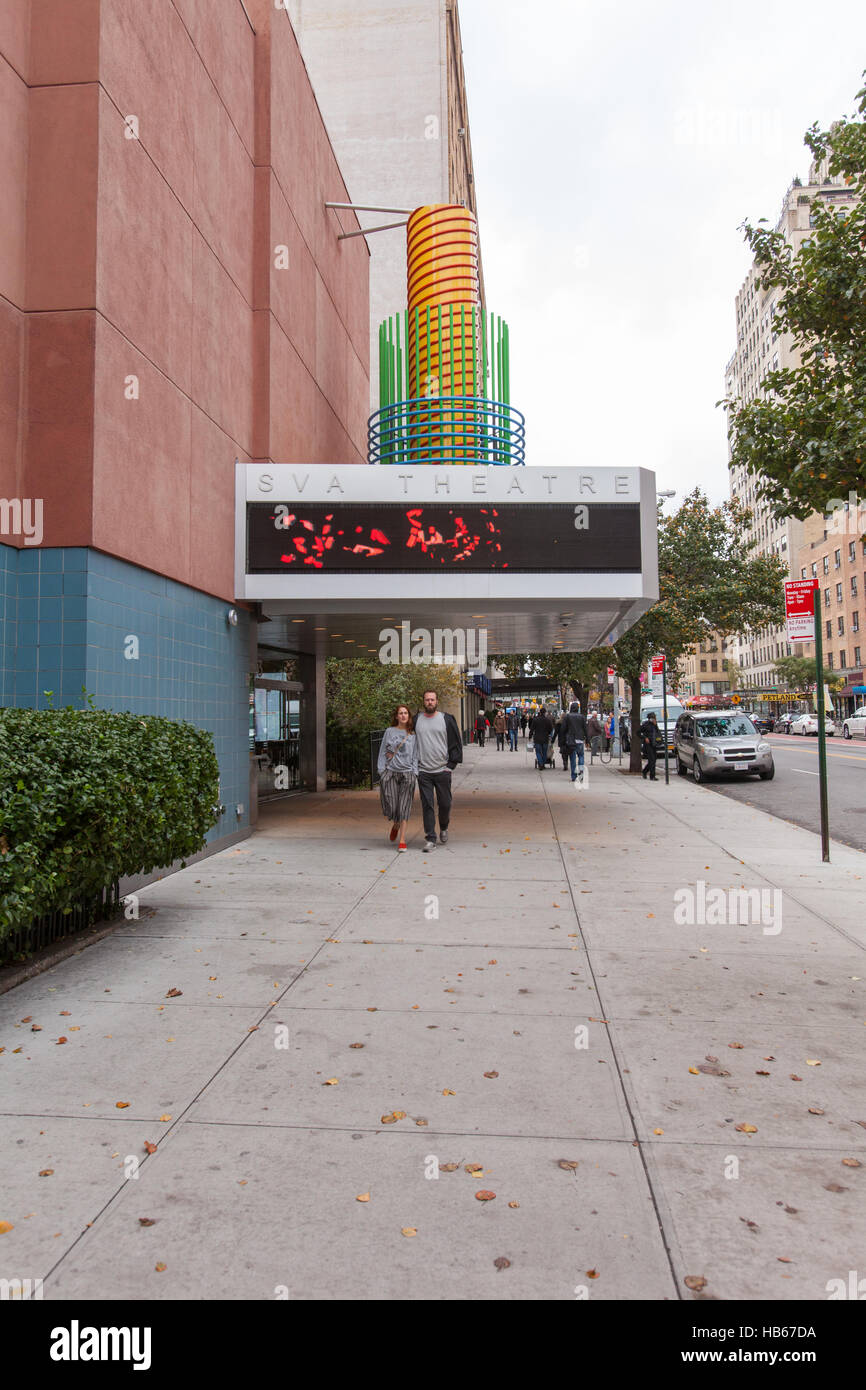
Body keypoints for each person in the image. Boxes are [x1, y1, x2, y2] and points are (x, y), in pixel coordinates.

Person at [414, 688, 463, 851]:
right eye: (427, 699)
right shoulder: (416, 720)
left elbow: (456, 742)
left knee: (445, 804)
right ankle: (430, 838)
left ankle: (443, 826)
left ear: (437, 701)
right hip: (424, 771)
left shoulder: (446, 719)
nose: (430, 702)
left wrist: (450, 766)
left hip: (442, 770)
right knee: (427, 804)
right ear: (423, 702)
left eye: (432, 699)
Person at [376, 705, 418, 851]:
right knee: (392, 806)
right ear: (396, 716)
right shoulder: (389, 731)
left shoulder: (412, 734)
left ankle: (402, 839)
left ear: (409, 716)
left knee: (404, 807)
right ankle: (396, 823)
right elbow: (382, 751)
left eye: (406, 713)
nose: (403, 716)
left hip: (407, 774)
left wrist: (414, 773)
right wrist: (382, 770)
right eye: (400, 713)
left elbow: (415, 755)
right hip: (391, 773)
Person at [562, 700, 589, 782]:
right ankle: (581, 774)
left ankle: (574, 776)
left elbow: (563, 728)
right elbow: (585, 729)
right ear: (578, 708)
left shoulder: (567, 716)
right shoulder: (582, 717)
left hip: (571, 740)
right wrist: (587, 739)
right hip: (580, 739)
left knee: (573, 759)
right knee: (581, 756)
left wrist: (564, 738)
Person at [640, 710, 661, 780]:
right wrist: (645, 738)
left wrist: (656, 725)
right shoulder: (645, 725)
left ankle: (645, 771)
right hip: (648, 745)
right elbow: (638, 732)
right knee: (651, 760)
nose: (654, 719)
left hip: (654, 744)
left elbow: (658, 733)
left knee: (654, 760)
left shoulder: (655, 725)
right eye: (653, 718)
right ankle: (652, 776)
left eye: (654, 717)